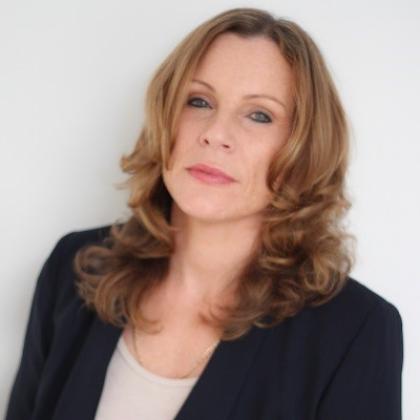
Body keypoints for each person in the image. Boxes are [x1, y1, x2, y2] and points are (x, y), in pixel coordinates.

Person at [5, 7, 403, 420]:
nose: (214, 132)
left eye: (259, 115)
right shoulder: (77, 267)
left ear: (303, 150)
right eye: (198, 101)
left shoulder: (356, 330)